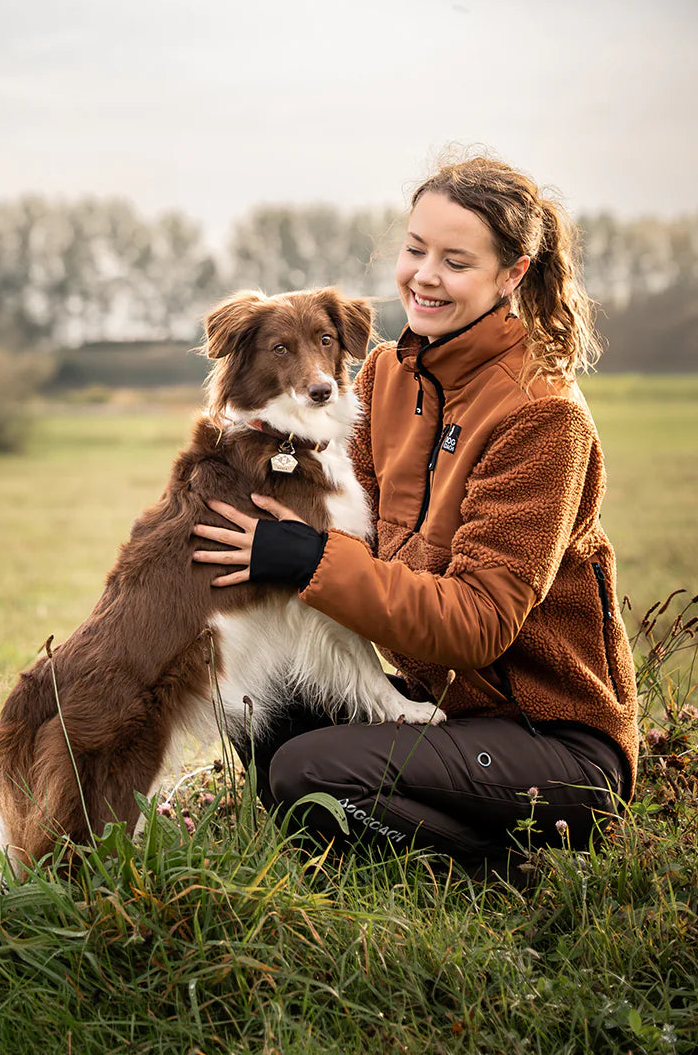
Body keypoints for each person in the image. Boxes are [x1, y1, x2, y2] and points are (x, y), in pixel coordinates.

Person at [191, 154, 638, 879]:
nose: (424, 276)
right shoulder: (385, 378)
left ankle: (506, 869)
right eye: (415, 249)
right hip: (439, 711)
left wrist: (303, 559)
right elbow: (342, 533)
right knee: (260, 705)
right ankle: (359, 848)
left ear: (512, 275)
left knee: (310, 772)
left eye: (456, 261)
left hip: (550, 744)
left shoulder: (543, 417)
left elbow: (475, 625)